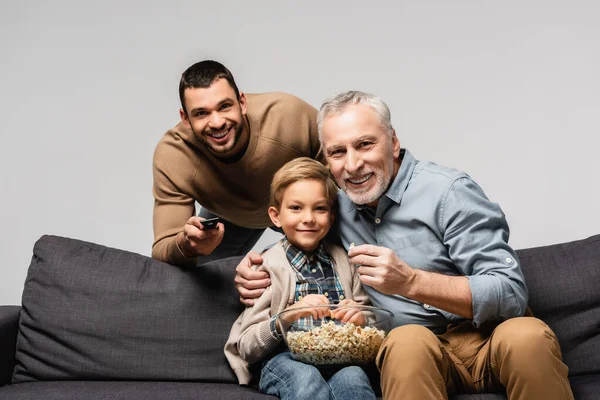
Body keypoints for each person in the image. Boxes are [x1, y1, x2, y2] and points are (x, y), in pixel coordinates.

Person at [234, 91, 574, 399]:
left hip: (490, 336)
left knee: (528, 337)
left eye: (365, 144)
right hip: (416, 348)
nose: (352, 164)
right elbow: (299, 233)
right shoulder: (337, 209)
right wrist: (254, 265)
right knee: (406, 341)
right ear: (328, 160)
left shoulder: (448, 192)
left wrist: (411, 281)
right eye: (338, 152)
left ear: (393, 142)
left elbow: (510, 291)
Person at [224, 157, 376, 400]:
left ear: (332, 216)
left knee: (355, 380)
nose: (308, 218)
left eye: (320, 208)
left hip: (339, 358)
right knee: (306, 380)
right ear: (276, 216)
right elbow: (248, 347)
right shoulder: (266, 268)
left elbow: (369, 316)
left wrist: (359, 317)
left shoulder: (347, 262)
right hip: (281, 359)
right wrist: (288, 315)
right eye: (296, 208)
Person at [152, 60, 323, 267]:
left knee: (352, 258)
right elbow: (163, 248)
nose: (217, 123)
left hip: (303, 206)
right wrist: (187, 244)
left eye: (224, 106)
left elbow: (342, 171)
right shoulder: (175, 154)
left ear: (242, 102)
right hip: (230, 218)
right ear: (185, 118)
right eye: (201, 113)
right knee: (189, 276)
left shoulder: (286, 115)